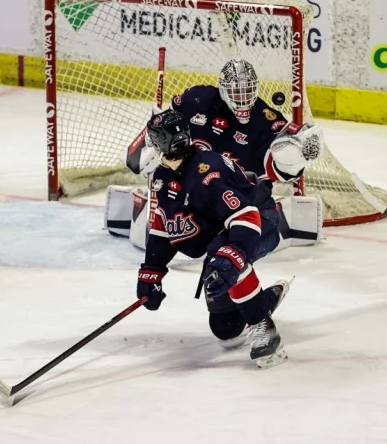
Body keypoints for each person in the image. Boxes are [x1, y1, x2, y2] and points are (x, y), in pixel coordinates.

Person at [105, 59, 324, 251]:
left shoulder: (265, 119)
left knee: (247, 231)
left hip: (239, 196)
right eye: (236, 91)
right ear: (223, 89)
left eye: (248, 91)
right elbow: (167, 124)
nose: (242, 98)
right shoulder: (198, 99)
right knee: (161, 168)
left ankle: (266, 216)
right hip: (195, 191)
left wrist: (297, 153)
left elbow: (282, 169)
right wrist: (150, 144)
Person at [136, 108, 291, 369]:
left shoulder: (207, 172)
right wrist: (151, 271)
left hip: (259, 222)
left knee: (225, 255)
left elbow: (245, 218)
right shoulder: (162, 174)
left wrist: (233, 256)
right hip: (228, 230)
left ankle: (264, 327)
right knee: (226, 330)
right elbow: (164, 223)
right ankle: (265, 299)